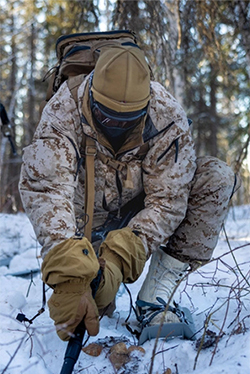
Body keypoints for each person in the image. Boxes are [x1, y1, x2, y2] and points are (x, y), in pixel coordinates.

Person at [19, 44, 238, 341]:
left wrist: (121, 257)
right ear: (92, 98)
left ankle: (155, 296)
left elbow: (168, 201)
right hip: (83, 222)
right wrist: (70, 275)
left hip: (138, 213)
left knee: (216, 178)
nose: (115, 127)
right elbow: (47, 190)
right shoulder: (63, 109)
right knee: (95, 303)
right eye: (107, 117)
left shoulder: (166, 114)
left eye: (127, 120)